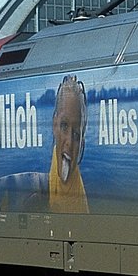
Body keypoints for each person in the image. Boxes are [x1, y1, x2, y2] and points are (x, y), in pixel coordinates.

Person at [49, 75, 89, 213]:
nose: (69, 143)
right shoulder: (57, 154)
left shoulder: (78, 206)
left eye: (76, 135)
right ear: (55, 125)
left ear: (81, 143)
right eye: (64, 126)